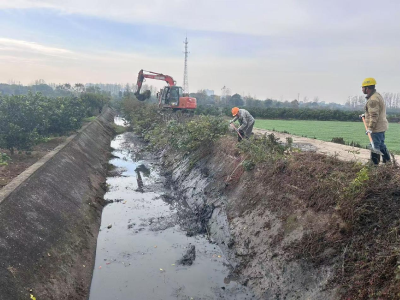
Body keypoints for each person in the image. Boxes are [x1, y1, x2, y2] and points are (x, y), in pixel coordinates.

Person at [360, 77, 391, 164]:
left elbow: (374, 115)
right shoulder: (377, 95)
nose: (362, 89)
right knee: (381, 145)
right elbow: (375, 111)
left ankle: (374, 166)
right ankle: (388, 162)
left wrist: (370, 128)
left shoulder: (373, 100)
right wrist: (365, 115)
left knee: (375, 147)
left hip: (376, 128)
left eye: (363, 87)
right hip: (381, 126)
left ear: (367, 88)